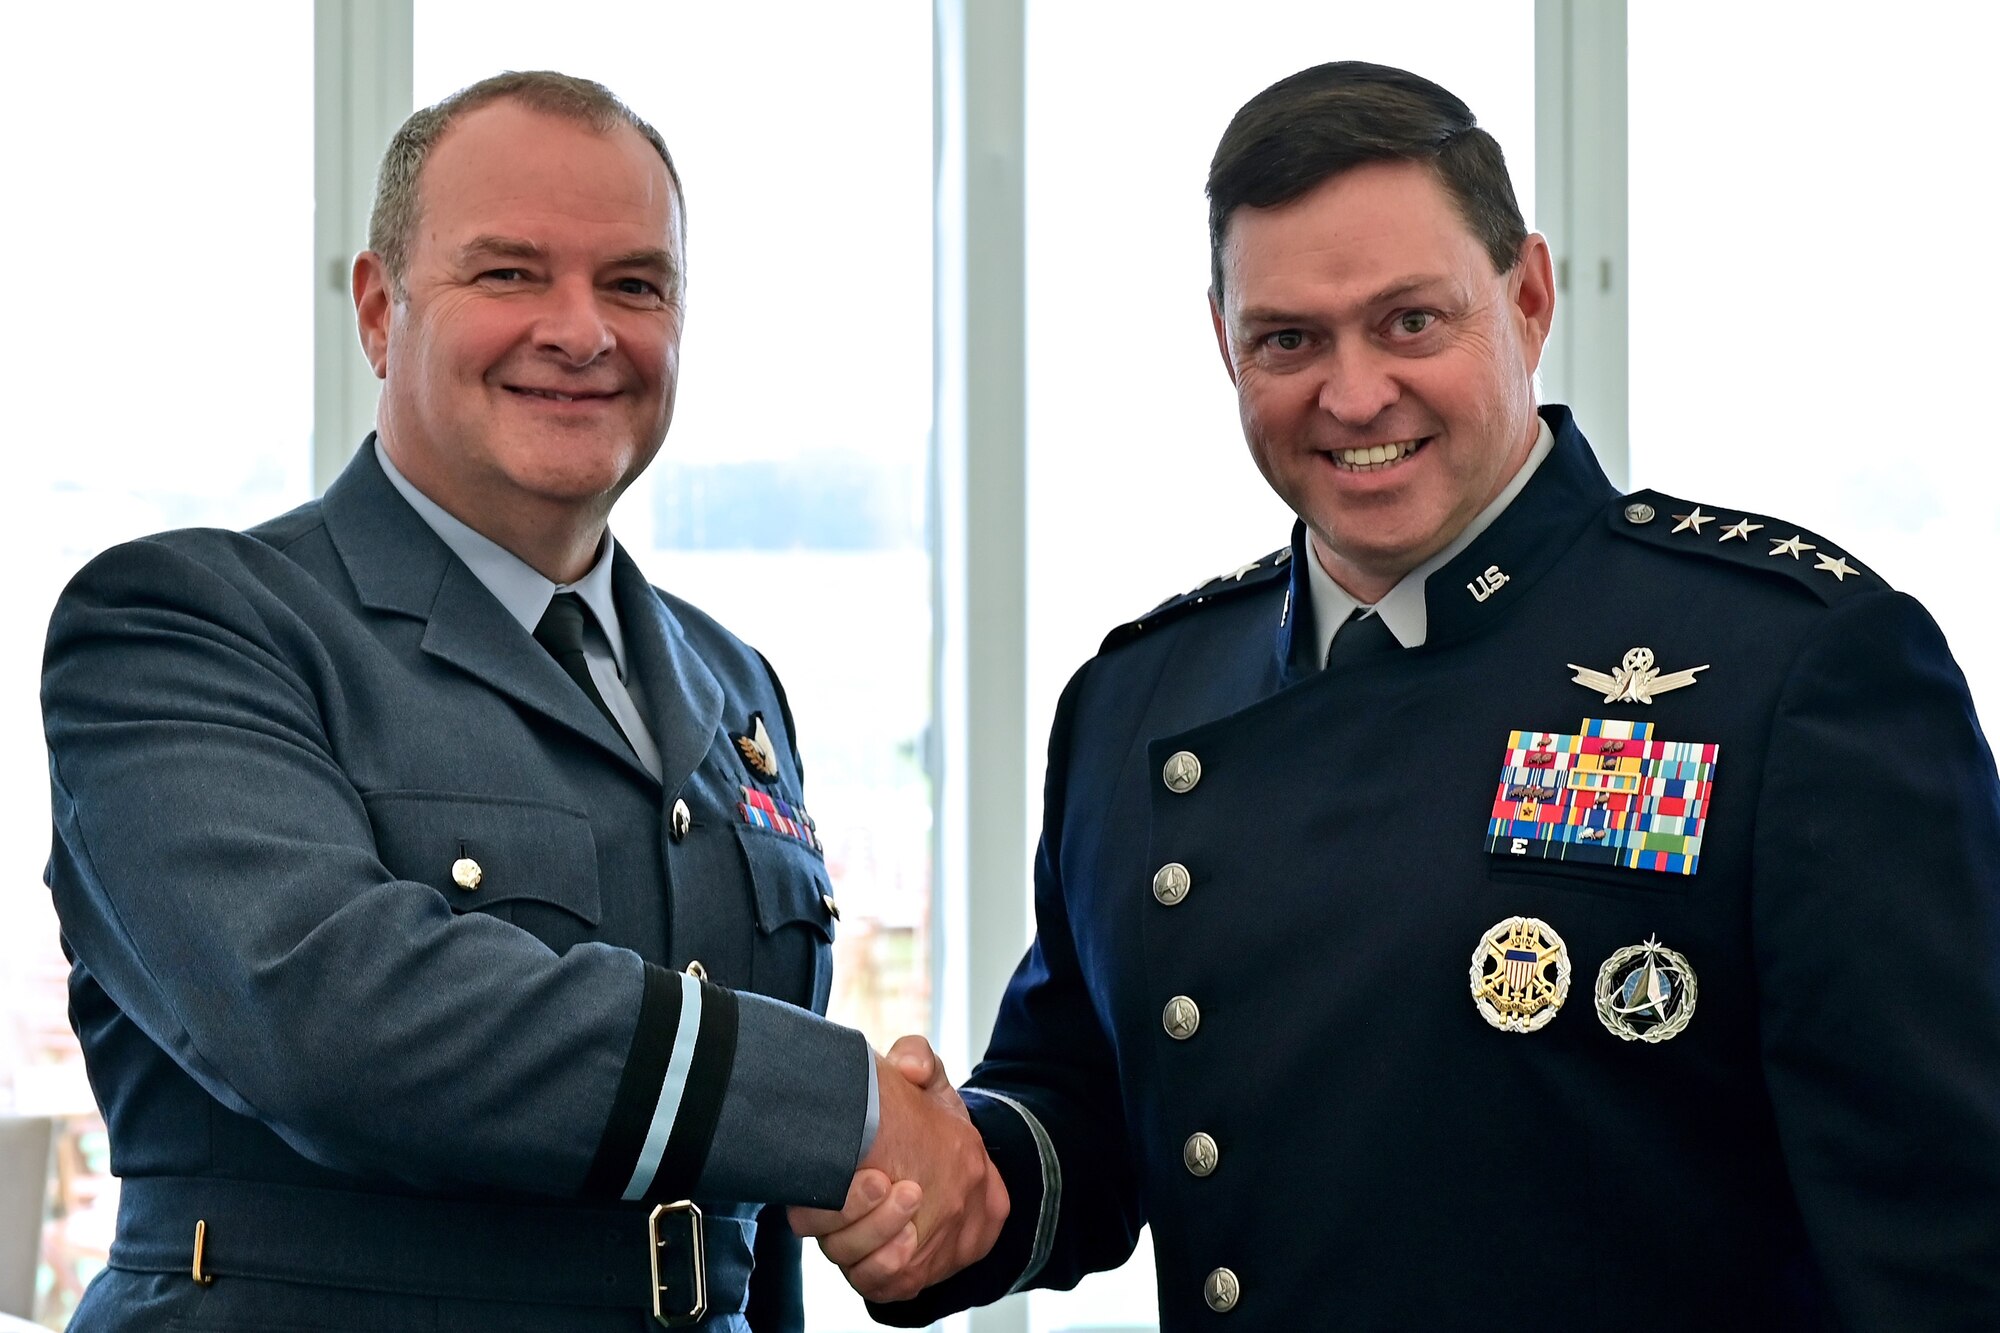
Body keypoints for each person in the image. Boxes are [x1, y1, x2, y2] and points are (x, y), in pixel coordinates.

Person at [797, 61, 2000, 1329]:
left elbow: (1948, 1236)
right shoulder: (1140, 699)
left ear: (1527, 298)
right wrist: (943, 1182)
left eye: (1409, 322)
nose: (1354, 392)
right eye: (1288, 340)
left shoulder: (1791, 667)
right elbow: (1082, 1102)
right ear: (1223, 344)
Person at [42, 71, 1001, 1332]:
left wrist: (869, 1198)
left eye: (635, 286)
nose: (582, 330)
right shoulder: (191, 622)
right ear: (381, 313)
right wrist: (841, 1104)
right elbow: (326, 1019)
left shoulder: (733, 685)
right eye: (507, 274)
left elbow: (738, 1219)